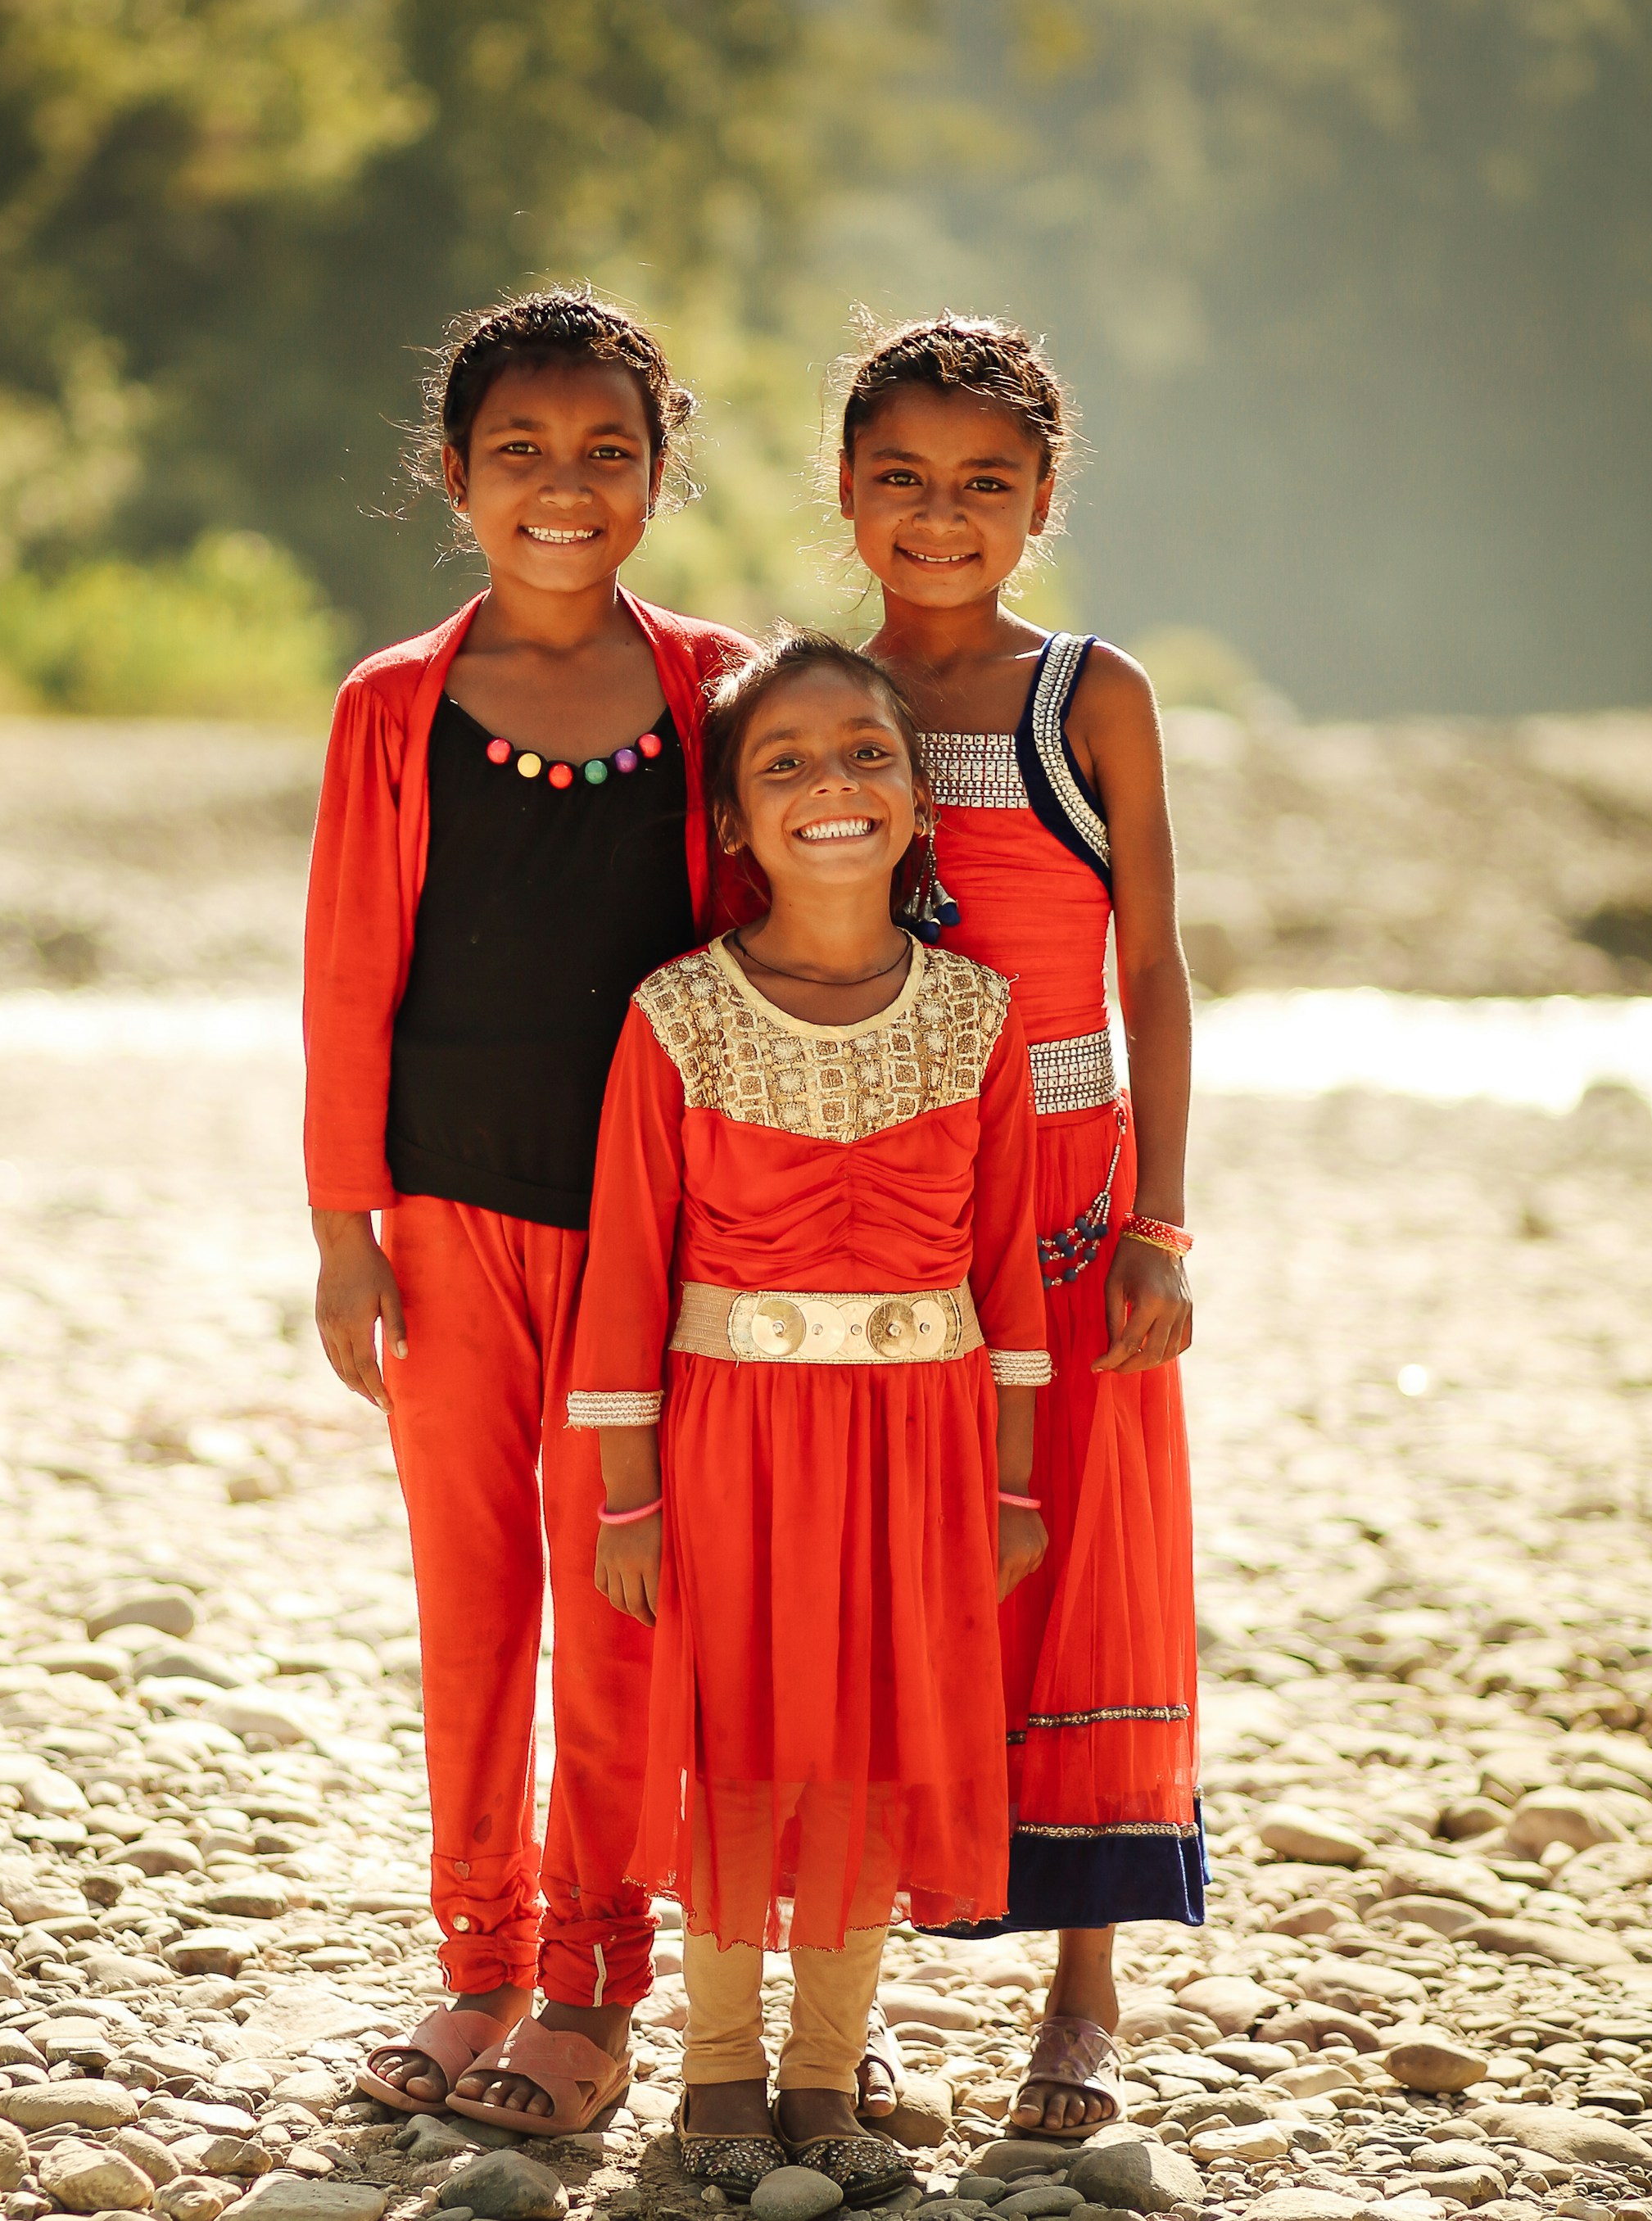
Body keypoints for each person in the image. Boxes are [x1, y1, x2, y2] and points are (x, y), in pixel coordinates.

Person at [304, 289, 754, 2135]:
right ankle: (480, 1957)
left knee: (623, 1593)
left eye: (606, 453)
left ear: (658, 473)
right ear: (455, 476)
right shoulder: (396, 705)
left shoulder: (720, 687)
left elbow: (783, 944)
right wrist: (345, 1227)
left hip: (656, 1240)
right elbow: (348, 979)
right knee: (475, 1597)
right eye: (520, 454)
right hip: (445, 1219)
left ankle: (593, 1977)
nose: (564, 487)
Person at [568, 633, 1052, 2201]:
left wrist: (1015, 1482)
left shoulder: (980, 1016)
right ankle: (716, 2070)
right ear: (728, 820)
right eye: (784, 762)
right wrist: (628, 1496)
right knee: (736, 1742)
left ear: (919, 799)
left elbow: (1008, 1273)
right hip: (727, 1440)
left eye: (866, 755)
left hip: (918, 1447)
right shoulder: (678, 1016)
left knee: (861, 1744)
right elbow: (629, 1264)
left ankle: (829, 2070)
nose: (830, 786)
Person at [839, 314, 1204, 2139]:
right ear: (846, 494)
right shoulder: (817, 698)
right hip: (881, 1196)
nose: (941, 516)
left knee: (1076, 1558)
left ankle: (1085, 1995)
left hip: (1067, 1198)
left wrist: (1165, 1222)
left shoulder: (1092, 698)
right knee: (871, 1569)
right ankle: (853, 1987)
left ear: (1044, 501)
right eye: (901, 479)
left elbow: (1151, 965)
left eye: (985, 484)